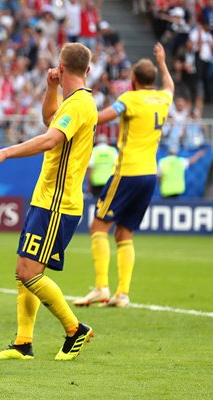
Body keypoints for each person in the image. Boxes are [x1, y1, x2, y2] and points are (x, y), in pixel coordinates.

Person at [0, 42, 97, 361]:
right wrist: (51, 89)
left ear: (61, 64)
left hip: (58, 203)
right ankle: (23, 343)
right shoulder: (73, 101)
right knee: (22, 270)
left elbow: (50, 139)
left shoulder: (81, 104)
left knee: (29, 271)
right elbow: (49, 121)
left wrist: (4, 152)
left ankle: (75, 330)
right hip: (46, 198)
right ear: (88, 68)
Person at [74, 43, 174, 308]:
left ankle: (101, 288)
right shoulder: (164, 99)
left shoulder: (129, 99)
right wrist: (162, 62)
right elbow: (171, 86)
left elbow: (103, 116)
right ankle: (122, 294)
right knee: (124, 233)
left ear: (134, 80)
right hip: (149, 175)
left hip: (127, 172)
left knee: (98, 226)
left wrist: (82, 114)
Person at [87, 134, 118, 198]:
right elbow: (117, 167)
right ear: (107, 142)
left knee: (97, 203)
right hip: (109, 181)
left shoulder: (94, 151)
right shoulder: (112, 151)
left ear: (97, 142)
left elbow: (90, 169)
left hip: (96, 182)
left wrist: (88, 185)